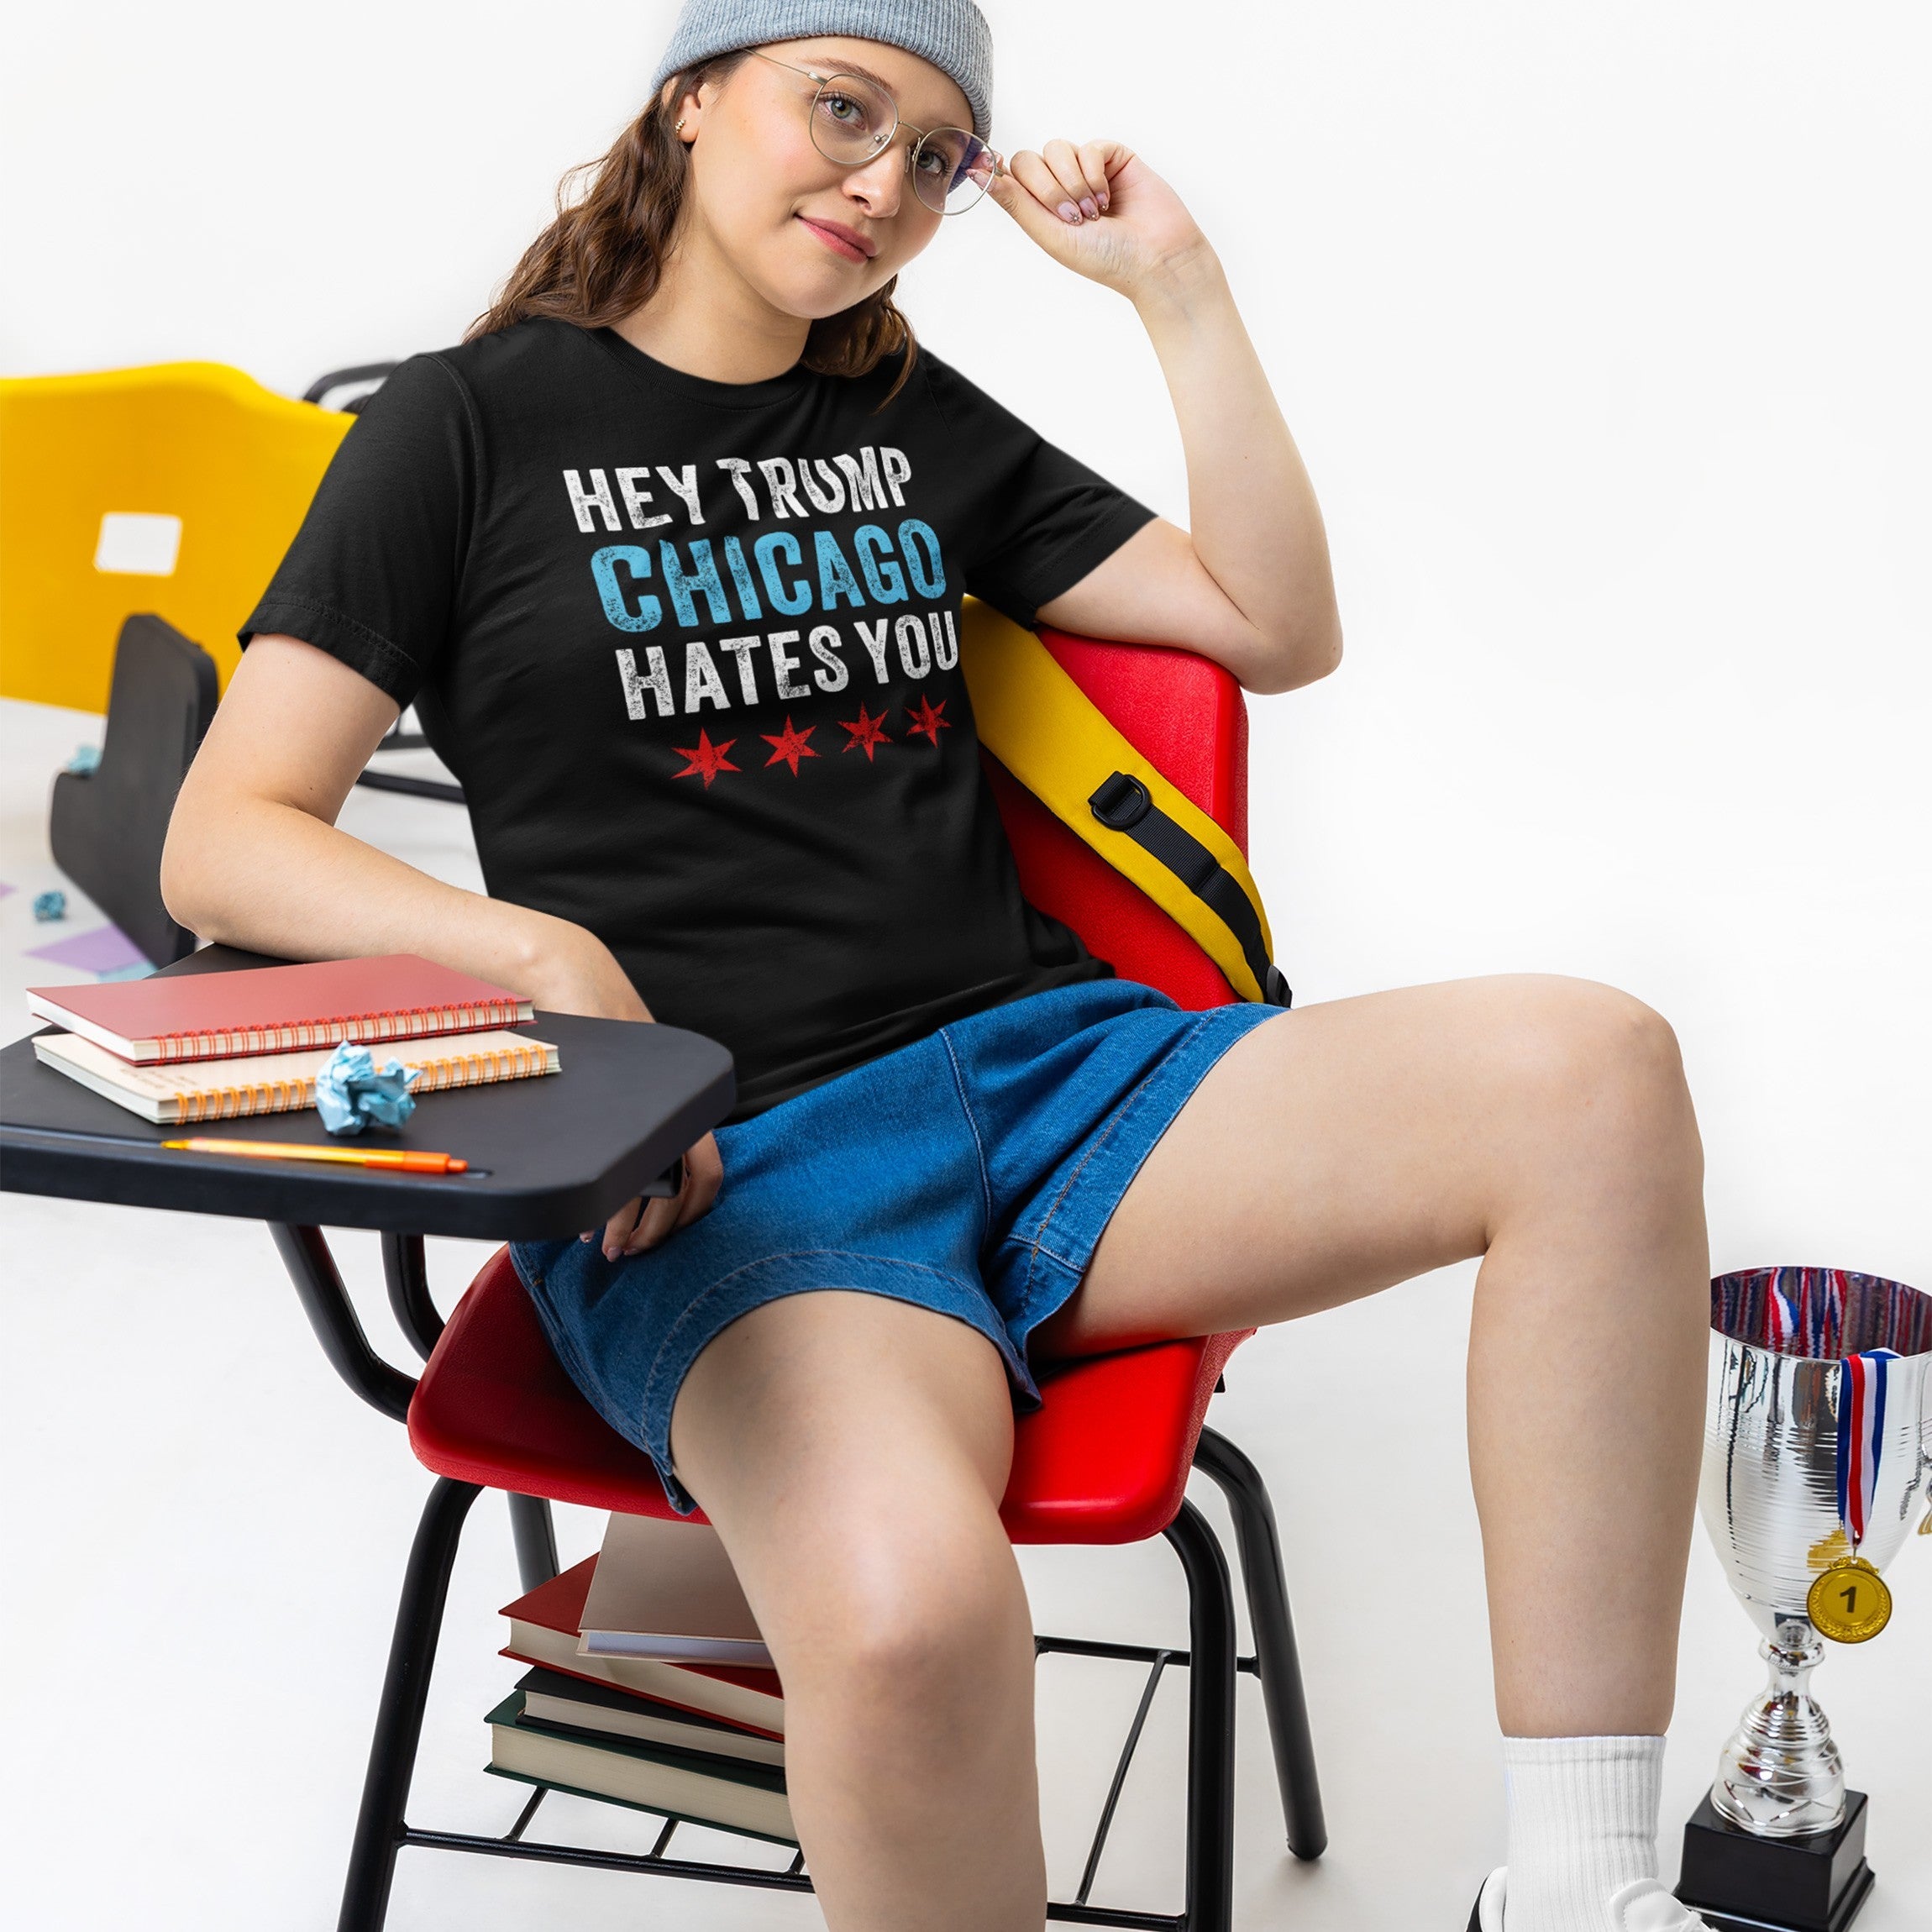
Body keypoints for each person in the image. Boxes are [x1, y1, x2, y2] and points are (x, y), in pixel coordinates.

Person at [160, 4, 1716, 1928]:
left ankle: (1574, 1885)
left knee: (1594, 1072)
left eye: (931, 157)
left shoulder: (900, 409)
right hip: (740, 1162)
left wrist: (1174, 287)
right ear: (690, 98)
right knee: (900, 1619)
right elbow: (225, 836)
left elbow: (1274, 622)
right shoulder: (464, 424)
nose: (880, 184)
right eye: (840, 109)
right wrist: (536, 947)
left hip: (1066, 1082)